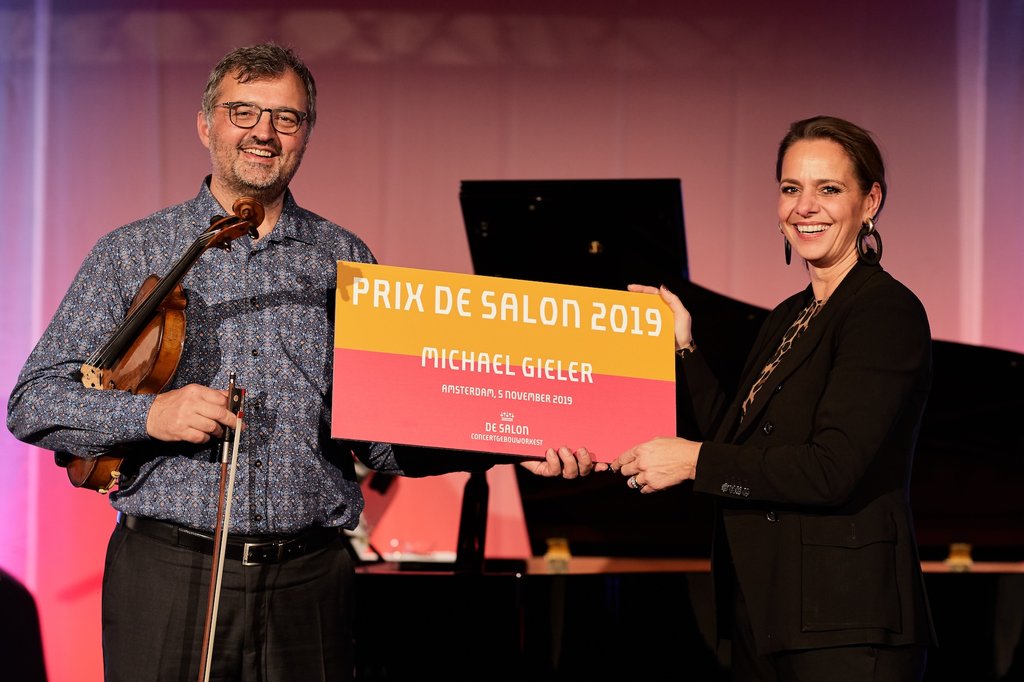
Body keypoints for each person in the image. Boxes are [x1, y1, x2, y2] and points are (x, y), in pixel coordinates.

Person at [6, 42, 592, 682]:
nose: (264, 132)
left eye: (286, 118)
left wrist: (513, 439)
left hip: (312, 580)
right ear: (206, 125)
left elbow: (385, 442)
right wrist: (154, 415)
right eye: (243, 113)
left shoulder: (347, 261)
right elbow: (33, 401)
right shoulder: (132, 251)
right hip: (170, 571)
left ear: (305, 134)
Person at [608, 115, 937, 680]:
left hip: (845, 629)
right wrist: (685, 349)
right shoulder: (790, 317)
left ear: (871, 201)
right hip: (769, 616)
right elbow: (734, 442)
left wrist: (692, 460)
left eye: (828, 189)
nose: (804, 206)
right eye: (791, 189)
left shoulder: (884, 311)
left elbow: (829, 470)